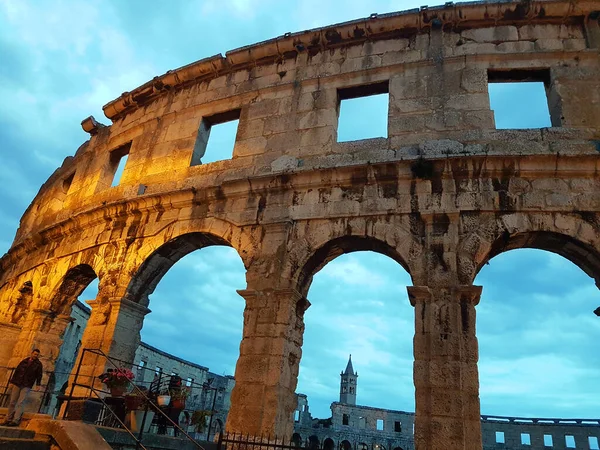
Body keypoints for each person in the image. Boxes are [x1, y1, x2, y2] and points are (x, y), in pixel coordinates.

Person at [1, 349, 43, 426]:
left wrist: (38, 384)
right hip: (17, 382)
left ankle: (15, 420)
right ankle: (8, 418)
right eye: (34, 354)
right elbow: (17, 371)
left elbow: (39, 375)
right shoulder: (24, 361)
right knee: (12, 401)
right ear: (31, 353)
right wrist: (12, 382)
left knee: (21, 402)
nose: (35, 356)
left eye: (37, 355)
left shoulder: (38, 364)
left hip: (27, 384)